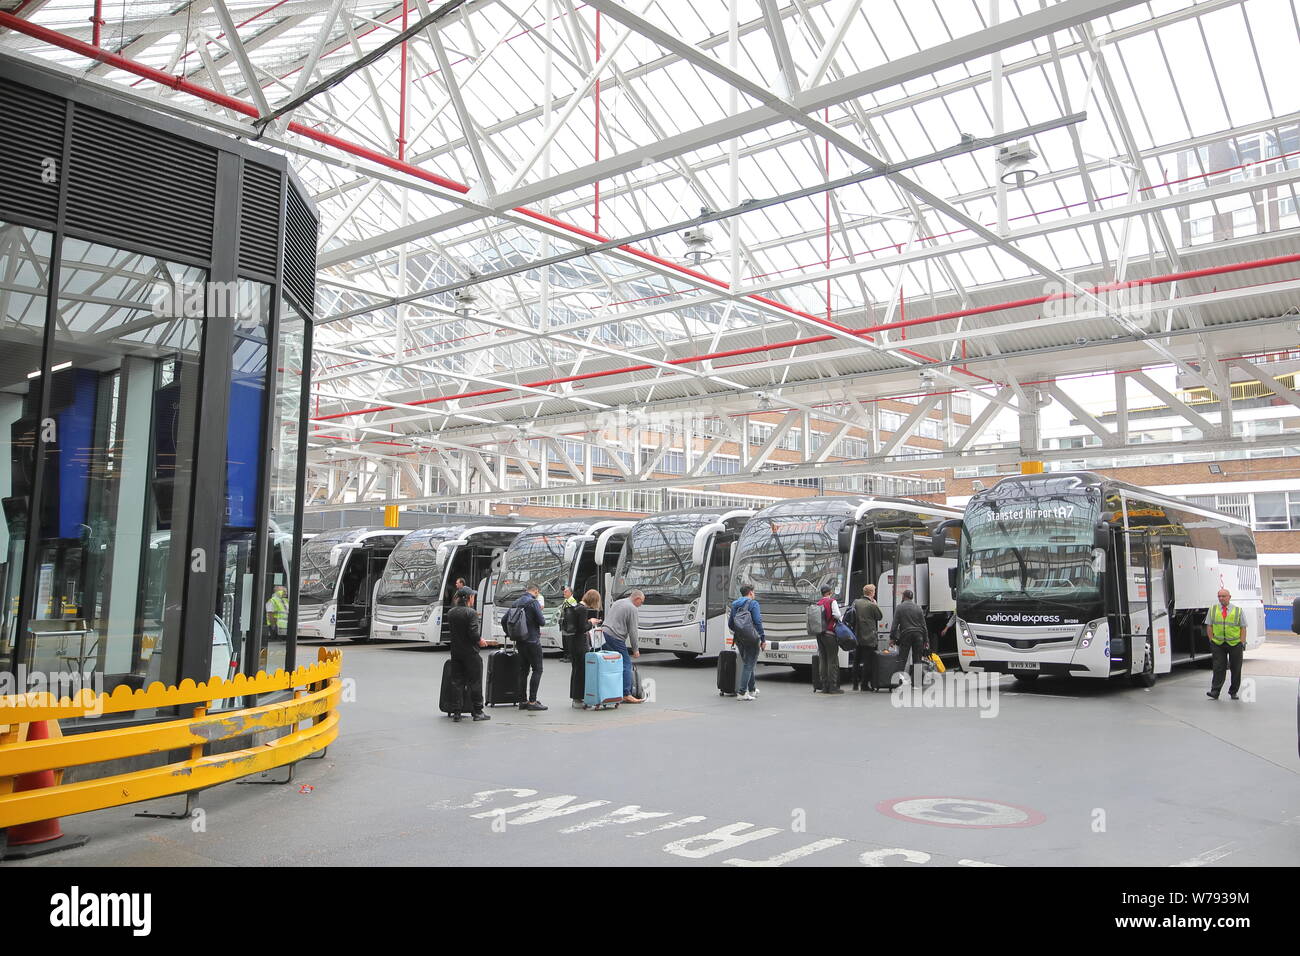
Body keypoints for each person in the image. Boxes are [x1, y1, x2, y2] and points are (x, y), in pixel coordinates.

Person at [445, 587, 489, 722]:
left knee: (457, 682)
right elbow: (473, 633)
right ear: (468, 598)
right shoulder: (471, 613)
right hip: (471, 653)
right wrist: (480, 640)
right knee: (475, 681)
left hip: (456, 652)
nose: (473, 599)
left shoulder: (451, 612)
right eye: (473, 597)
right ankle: (477, 711)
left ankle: (457, 712)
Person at [600, 589, 645, 703]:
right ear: (638, 599)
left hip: (603, 634)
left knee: (610, 664)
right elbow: (633, 631)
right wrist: (636, 650)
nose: (641, 605)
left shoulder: (618, 602)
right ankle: (626, 693)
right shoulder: (632, 608)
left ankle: (610, 691)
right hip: (615, 637)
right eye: (642, 602)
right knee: (626, 664)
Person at [512, 583, 548, 711]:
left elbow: (506, 620)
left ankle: (522, 701)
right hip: (532, 641)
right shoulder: (533, 603)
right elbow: (542, 621)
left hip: (520, 641)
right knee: (537, 669)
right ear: (536, 591)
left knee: (523, 670)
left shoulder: (516, 602)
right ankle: (532, 702)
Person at [1206, 587, 1247, 700]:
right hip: (1218, 643)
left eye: (1223, 596)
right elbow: (1209, 625)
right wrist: (1211, 640)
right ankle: (1215, 691)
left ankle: (1233, 691)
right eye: (1219, 596)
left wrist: (1242, 642)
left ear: (1229, 597)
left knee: (1236, 668)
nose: (1221, 598)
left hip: (1234, 643)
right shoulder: (1213, 609)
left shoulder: (1238, 610)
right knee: (1218, 667)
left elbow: (1243, 627)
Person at [727, 585, 766, 701]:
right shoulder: (753, 604)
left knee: (748, 663)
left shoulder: (735, 604)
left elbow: (731, 624)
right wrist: (762, 638)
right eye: (753, 592)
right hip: (752, 639)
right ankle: (742, 692)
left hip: (739, 638)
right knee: (749, 664)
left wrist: (740, 632)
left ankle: (752, 689)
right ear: (750, 593)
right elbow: (758, 621)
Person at [889, 589, 929, 687]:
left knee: (902, 659)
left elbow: (895, 625)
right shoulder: (918, 608)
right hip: (918, 635)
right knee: (917, 659)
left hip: (906, 635)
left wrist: (892, 638)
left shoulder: (900, 608)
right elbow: (924, 625)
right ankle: (917, 683)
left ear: (904, 597)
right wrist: (926, 640)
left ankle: (897, 682)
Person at [569, 589, 602, 706]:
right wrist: (591, 622)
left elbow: (577, 625)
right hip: (580, 643)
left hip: (573, 642)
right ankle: (578, 698)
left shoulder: (576, 606)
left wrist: (587, 622)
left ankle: (575, 697)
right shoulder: (583, 609)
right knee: (581, 670)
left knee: (576, 669)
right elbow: (583, 628)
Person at [850, 584, 883, 691]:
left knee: (856, 661)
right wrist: (876, 604)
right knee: (867, 662)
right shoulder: (871, 605)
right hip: (869, 638)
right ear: (871, 593)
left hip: (856, 636)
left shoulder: (856, 602)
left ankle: (855, 684)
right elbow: (879, 616)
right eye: (874, 592)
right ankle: (864, 684)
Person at [814, 584, 844, 694]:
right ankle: (833, 686)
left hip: (820, 634)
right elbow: (836, 615)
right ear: (830, 592)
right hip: (830, 634)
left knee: (823, 658)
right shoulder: (832, 601)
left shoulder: (818, 603)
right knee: (832, 659)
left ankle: (824, 685)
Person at [559, 586, 579, 663]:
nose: (564, 592)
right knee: (565, 640)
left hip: (569, 624)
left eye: (566, 591)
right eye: (564, 591)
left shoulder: (572, 601)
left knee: (569, 641)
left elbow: (573, 613)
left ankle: (570, 656)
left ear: (571, 593)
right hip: (564, 623)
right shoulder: (565, 600)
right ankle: (566, 655)